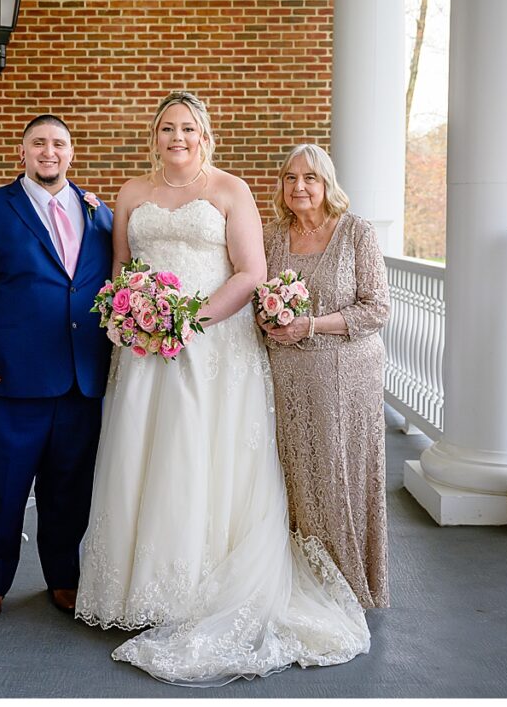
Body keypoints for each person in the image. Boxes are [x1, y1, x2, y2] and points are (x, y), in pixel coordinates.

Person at [75, 92, 370, 686]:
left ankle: (198, 583)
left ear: (205, 137)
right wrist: (131, 315)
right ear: (154, 136)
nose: (176, 137)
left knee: (200, 455)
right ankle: (140, 586)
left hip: (213, 343)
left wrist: (191, 320)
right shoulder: (133, 193)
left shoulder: (231, 191)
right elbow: (121, 270)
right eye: (166, 128)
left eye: (187, 128)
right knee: (141, 453)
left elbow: (250, 272)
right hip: (145, 346)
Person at [0, 115, 114, 621]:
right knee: (3, 489)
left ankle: (63, 577)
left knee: (69, 490)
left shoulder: (100, 214)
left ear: (71, 152)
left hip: (81, 381)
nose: (49, 152)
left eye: (59, 143)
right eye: (39, 143)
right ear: (22, 152)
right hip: (10, 382)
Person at [259, 143, 390, 609]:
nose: (299, 187)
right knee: (293, 473)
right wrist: (269, 321)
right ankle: (303, 577)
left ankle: (348, 583)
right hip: (287, 374)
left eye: (309, 178)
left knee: (339, 474)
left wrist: (311, 325)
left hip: (346, 374)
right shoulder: (273, 236)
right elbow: (258, 295)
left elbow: (377, 308)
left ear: (327, 183)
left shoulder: (356, 233)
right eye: (290, 178)